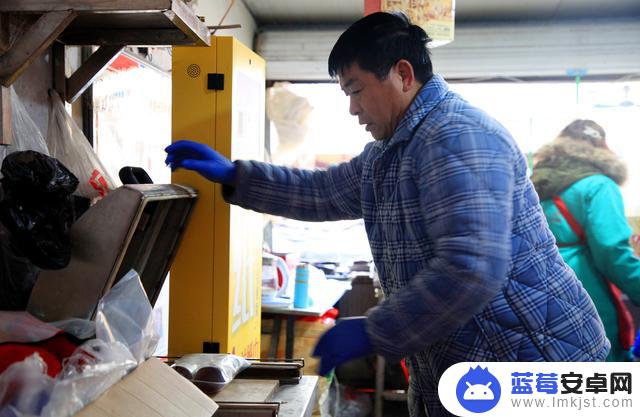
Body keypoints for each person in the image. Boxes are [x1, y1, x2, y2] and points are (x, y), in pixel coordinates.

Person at [166, 12, 609, 417]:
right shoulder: (389, 153)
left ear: (402, 74)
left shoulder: (458, 137)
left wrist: (375, 330)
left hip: (533, 363)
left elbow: (470, 270)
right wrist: (236, 176)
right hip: (475, 365)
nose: (353, 108)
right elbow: (322, 191)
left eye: (356, 90)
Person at [532, 119, 640, 362]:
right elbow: (613, 252)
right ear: (602, 149)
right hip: (586, 287)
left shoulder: (534, 184)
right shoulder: (599, 185)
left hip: (537, 287)